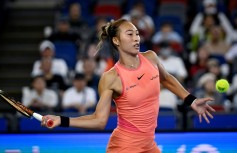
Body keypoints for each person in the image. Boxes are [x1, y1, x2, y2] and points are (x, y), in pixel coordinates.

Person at [41, 19, 215, 153]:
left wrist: (190, 100)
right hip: (124, 146)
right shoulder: (111, 77)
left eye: (137, 34)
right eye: (130, 34)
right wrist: (61, 120)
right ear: (116, 41)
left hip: (149, 145)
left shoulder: (151, 58)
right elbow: (99, 120)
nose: (136, 38)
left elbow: (167, 79)